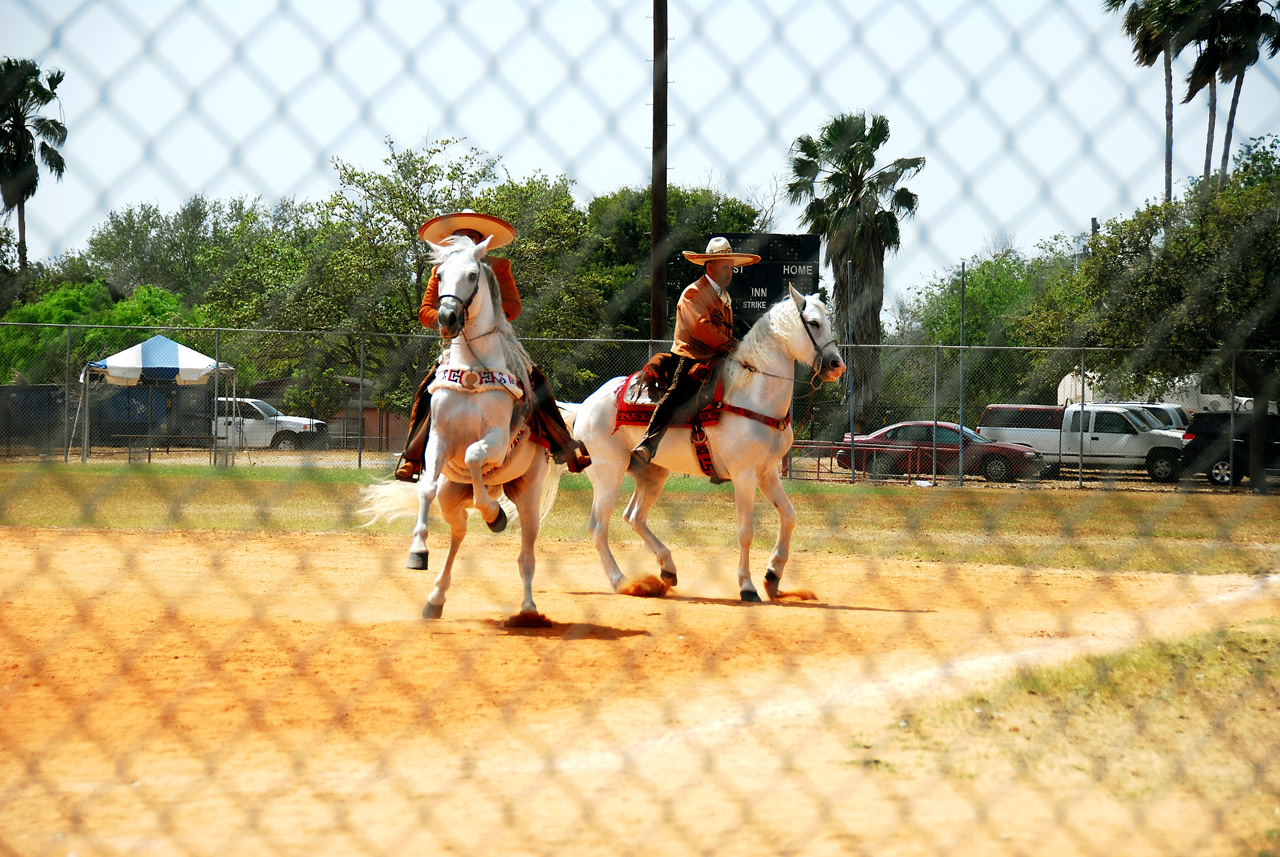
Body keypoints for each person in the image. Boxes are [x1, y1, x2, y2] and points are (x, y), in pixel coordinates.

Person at [395, 210, 590, 482]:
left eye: (469, 238)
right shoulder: (441, 270)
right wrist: (443, 319)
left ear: (479, 243)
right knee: (428, 389)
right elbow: (426, 309)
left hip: (497, 339)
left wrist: (492, 317)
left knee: (534, 378)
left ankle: (565, 446)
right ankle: (412, 458)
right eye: (457, 238)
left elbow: (513, 304)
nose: (462, 242)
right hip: (458, 343)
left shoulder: (498, 266)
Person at [631, 236, 760, 465]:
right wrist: (731, 346)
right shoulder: (694, 293)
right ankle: (647, 444)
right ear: (710, 267)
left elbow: (724, 332)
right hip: (690, 356)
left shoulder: (722, 297)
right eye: (725, 267)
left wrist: (740, 348)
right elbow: (701, 328)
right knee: (679, 392)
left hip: (717, 357)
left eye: (731, 268)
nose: (730, 272)